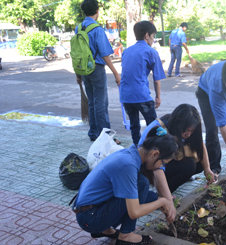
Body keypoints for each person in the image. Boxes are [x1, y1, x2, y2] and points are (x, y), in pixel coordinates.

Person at [73, 126, 177, 245]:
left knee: (151, 197)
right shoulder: (128, 165)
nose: (160, 167)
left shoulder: (130, 153)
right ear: (154, 154)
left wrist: (159, 201)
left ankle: (105, 230)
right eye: (162, 163)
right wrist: (163, 201)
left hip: (89, 210)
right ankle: (126, 235)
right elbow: (134, 212)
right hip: (89, 218)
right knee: (142, 184)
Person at [138, 104, 216, 192]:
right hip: (149, 167)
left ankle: (177, 178)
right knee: (189, 166)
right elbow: (157, 166)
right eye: (186, 130)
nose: (188, 134)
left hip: (162, 162)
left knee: (200, 163)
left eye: (191, 131)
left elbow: (200, 145)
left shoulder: (181, 123)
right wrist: (166, 197)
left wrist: (207, 168)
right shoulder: (161, 130)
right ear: (178, 125)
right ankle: (167, 189)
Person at [75, 0, 121, 144]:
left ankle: (93, 133)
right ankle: (106, 138)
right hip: (96, 69)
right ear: (97, 11)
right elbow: (105, 54)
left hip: (84, 69)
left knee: (92, 103)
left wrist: (78, 73)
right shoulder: (97, 29)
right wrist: (116, 73)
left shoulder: (78, 28)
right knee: (101, 103)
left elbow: (76, 52)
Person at [120, 21, 166, 146]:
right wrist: (158, 96)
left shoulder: (126, 51)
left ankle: (137, 148)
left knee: (134, 125)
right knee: (153, 125)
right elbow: (157, 79)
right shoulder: (151, 52)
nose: (153, 39)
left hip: (126, 96)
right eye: (153, 36)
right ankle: (154, 148)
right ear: (147, 35)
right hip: (141, 96)